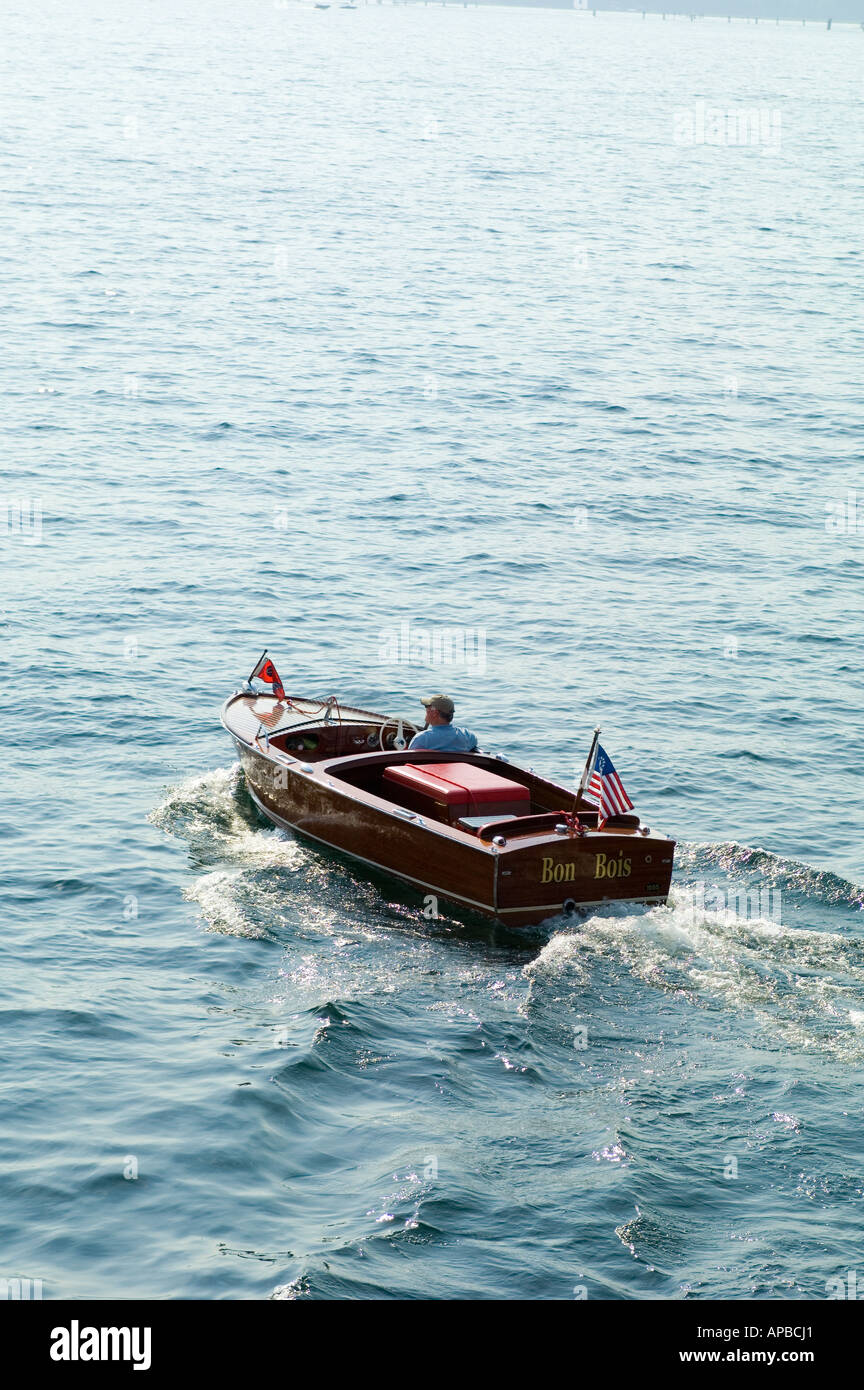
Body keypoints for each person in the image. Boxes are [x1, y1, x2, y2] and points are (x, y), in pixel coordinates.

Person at [408, 695, 479, 753]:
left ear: (435, 713)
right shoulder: (467, 735)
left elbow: (409, 758)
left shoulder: (422, 739)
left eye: (427, 706)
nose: (426, 709)